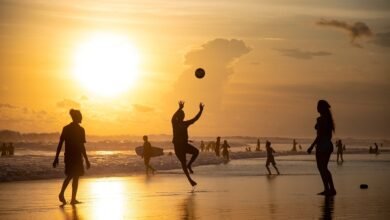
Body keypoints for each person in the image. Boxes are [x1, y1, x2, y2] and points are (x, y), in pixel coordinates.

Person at [53, 109, 91, 205]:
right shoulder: (73, 129)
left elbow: (81, 146)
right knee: (71, 175)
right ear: (76, 117)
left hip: (74, 156)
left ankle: (73, 198)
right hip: (73, 156)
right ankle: (62, 194)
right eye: (80, 116)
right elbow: (61, 143)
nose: (81, 118)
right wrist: (56, 157)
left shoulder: (72, 129)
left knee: (75, 176)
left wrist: (86, 159)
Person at [307, 100, 336, 196]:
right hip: (328, 145)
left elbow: (319, 135)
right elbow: (327, 134)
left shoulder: (321, 120)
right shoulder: (328, 119)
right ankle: (331, 188)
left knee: (321, 168)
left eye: (318, 106)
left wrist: (311, 146)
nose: (317, 108)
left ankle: (327, 189)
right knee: (325, 168)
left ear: (321, 108)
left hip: (322, 146)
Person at [171, 101, 204, 186]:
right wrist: (179, 109)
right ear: (178, 116)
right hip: (178, 147)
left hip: (185, 145)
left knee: (196, 152)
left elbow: (195, 119)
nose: (183, 116)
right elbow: (172, 118)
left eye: (183, 115)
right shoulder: (174, 123)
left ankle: (189, 165)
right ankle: (189, 179)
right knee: (183, 162)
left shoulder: (185, 123)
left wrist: (200, 111)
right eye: (181, 115)